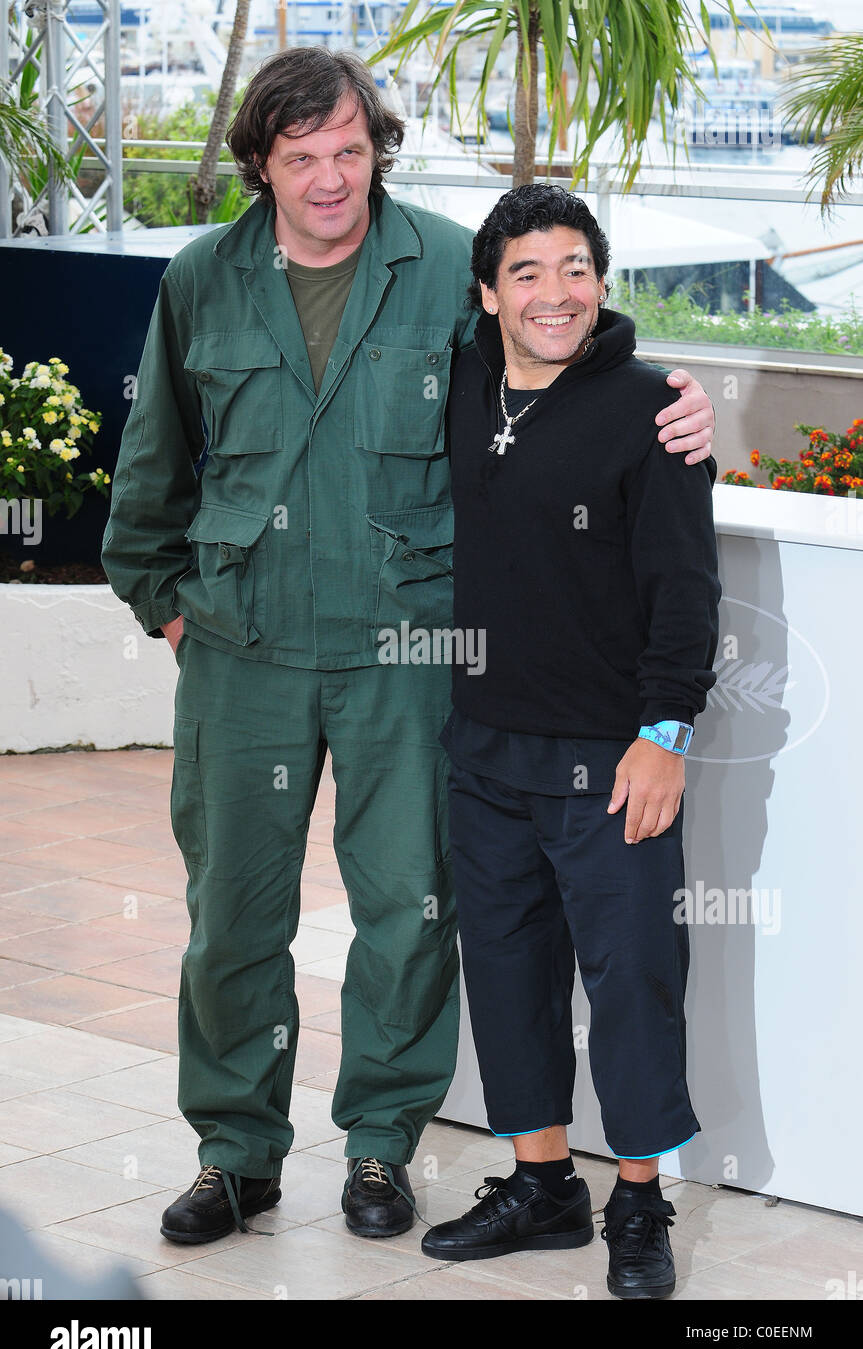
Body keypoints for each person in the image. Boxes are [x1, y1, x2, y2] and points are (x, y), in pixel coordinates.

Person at [101, 47, 717, 1247]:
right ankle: (235, 1152)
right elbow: (154, 461)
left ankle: (379, 1144)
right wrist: (166, 602)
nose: (329, 179)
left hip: (409, 648)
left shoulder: (443, 264)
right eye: (301, 157)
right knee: (232, 916)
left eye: (349, 150)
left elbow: (552, 338)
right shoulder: (199, 279)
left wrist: (667, 396)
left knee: (408, 910)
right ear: (261, 165)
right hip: (241, 649)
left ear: (375, 150)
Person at [420, 185, 721, 1300]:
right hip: (483, 743)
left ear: (601, 280)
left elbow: (684, 589)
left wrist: (663, 732)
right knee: (506, 972)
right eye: (528, 273)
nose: (555, 294)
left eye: (575, 269)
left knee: (633, 980)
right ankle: (541, 1185)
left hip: (611, 755)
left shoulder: (652, 409)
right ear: (487, 293)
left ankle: (637, 1202)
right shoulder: (461, 387)